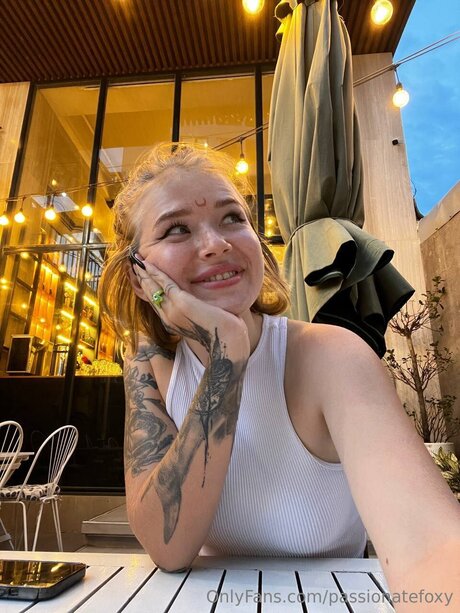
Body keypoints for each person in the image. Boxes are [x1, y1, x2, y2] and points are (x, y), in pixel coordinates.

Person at [99, 143, 459, 607]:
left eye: (233, 218)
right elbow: (167, 546)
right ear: (138, 275)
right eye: (177, 229)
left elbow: (429, 546)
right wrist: (226, 357)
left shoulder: (334, 357)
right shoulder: (148, 360)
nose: (216, 243)